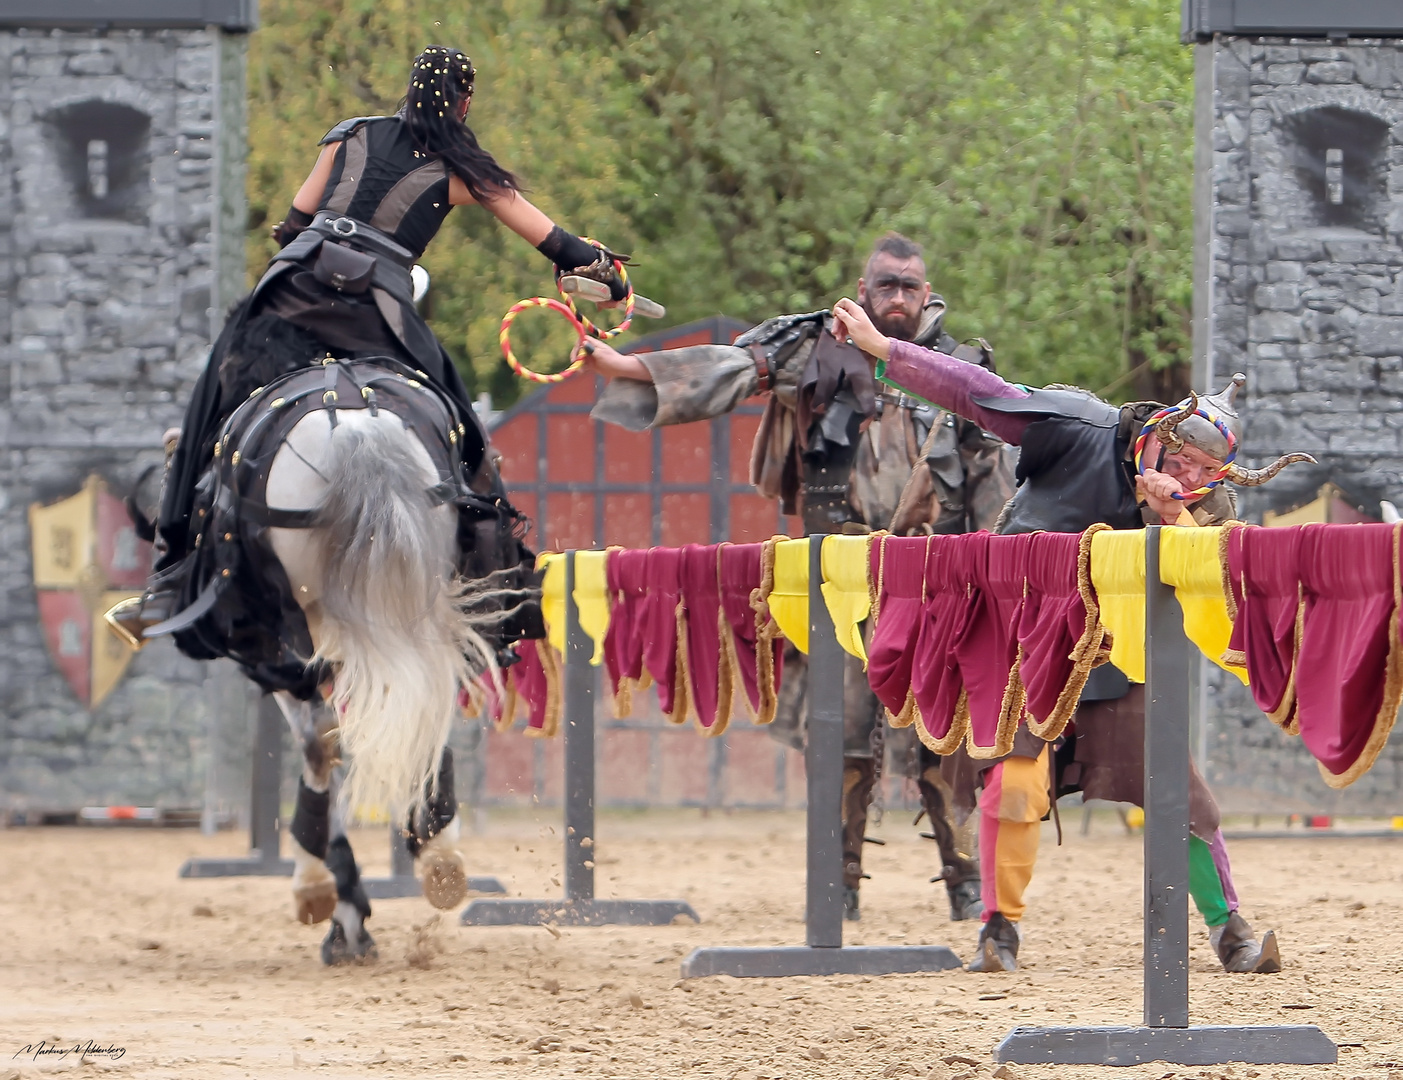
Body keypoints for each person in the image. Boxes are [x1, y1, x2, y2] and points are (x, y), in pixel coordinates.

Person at [831, 295, 1314, 974]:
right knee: (1016, 790)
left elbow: (1211, 576)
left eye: (1207, 475)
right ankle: (997, 933)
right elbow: (981, 393)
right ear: (1158, 435)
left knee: (1179, 789)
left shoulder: (1204, 507)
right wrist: (887, 352)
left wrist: (1165, 517)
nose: (1192, 480)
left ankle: (1228, 930)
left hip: (1117, 657)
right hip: (1027, 645)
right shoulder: (1078, 425)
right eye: (1183, 463)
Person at [119, 45, 627, 640]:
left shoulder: (348, 137)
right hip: (375, 308)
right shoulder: (462, 170)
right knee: (460, 422)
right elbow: (558, 244)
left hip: (290, 288)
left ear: (409, 91)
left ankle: (167, 574)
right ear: (464, 103)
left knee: (208, 404)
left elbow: (292, 224)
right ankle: (501, 579)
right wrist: (609, 273)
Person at [583, 232, 1016, 922]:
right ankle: (836, 883)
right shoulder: (815, 349)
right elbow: (728, 368)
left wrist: (998, 578)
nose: (897, 297)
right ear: (863, 288)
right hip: (837, 579)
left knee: (947, 736)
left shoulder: (960, 367)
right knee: (839, 736)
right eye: (885, 285)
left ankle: (964, 882)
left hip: (935, 582)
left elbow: (996, 475)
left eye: (909, 286)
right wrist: (628, 368)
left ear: (927, 293)